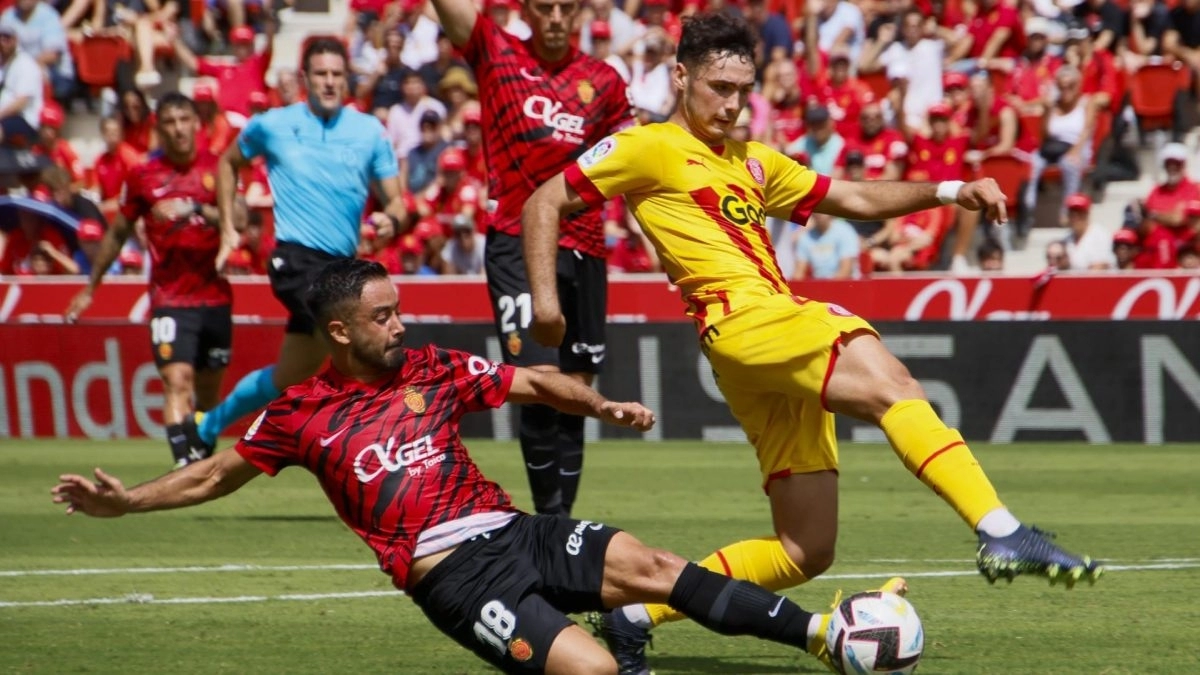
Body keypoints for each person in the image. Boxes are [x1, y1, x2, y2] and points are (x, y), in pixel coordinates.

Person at [521, 14, 1102, 674]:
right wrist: (546, 304)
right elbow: (544, 199)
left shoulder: (754, 161)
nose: (733, 104)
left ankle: (635, 612)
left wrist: (950, 190)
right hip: (748, 319)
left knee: (805, 549)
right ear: (680, 76)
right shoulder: (648, 147)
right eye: (718, 86)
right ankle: (1000, 530)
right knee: (895, 386)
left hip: (748, 347)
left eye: (743, 89)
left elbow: (850, 195)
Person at [51, 258, 903, 675]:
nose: (401, 321)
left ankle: (825, 637)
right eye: (384, 315)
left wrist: (598, 404)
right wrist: (127, 502)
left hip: (516, 531)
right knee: (597, 671)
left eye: (399, 308)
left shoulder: (430, 368)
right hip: (454, 577)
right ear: (341, 332)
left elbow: (527, 376)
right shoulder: (298, 415)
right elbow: (210, 476)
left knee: (653, 566)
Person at [429, 0, 634, 517]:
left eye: (568, 7)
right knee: (540, 381)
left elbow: (632, 161)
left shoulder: (604, 80)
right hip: (514, 241)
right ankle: (551, 522)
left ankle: (561, 525)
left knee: (579, 389)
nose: (558, 17)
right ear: (525, 10)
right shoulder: (495, 51)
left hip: (585, 243)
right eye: (546, 7)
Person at [184, 37, 408, 457]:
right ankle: (367, 444)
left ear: (348, 79)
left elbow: (397, 201)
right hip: (295, 259)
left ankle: (208, 423)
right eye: (321, 74)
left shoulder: (369, 133)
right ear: (305, 78)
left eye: (337, 74)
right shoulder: (272, 124)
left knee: (289, 376)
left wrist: (388, 220)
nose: (329, 82)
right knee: (362, 338)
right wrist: (230, 226)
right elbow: (228, 162)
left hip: (342, 267)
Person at [65, 93, 239, 468]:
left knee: (208, 396)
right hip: (170, 299)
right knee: (178, 381)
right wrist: (91, 287)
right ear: (158, 129)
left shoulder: (218, 167)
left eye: (184, 120)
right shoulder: (143, 175)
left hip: (215, 297)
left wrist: (194, 208)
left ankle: (198, 462)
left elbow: (238, 218)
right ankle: (184, 467)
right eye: (170, 122)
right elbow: (116, 233)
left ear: (197, 123)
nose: (178, 128)